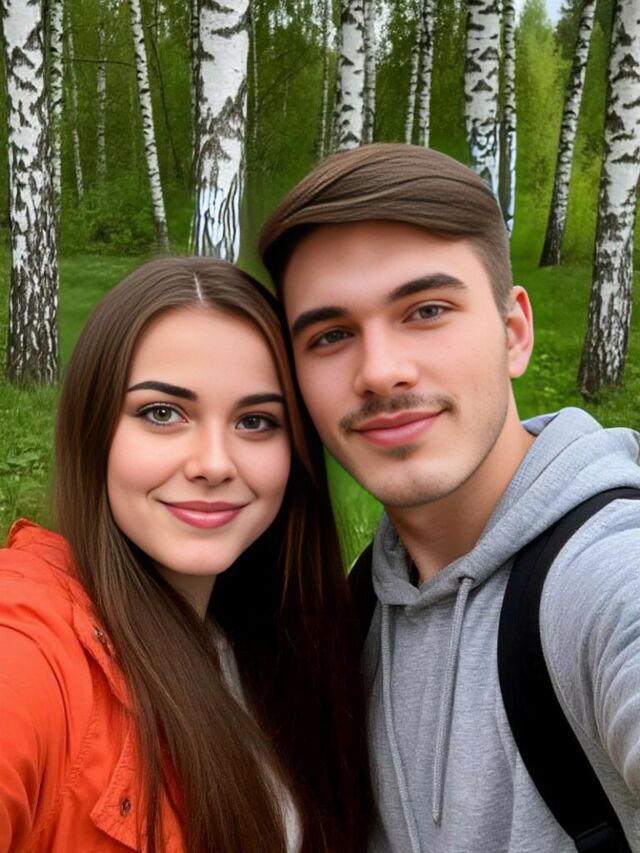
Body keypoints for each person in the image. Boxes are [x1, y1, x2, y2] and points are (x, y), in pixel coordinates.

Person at [258, 143, 640, 852]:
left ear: (514, 333)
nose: (380, 371)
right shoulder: (357, 611)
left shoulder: (605, 577)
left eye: (427, 309)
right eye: (332, 334)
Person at [0, 257, 372, 853]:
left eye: (256, 421)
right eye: (162, 413)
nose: (214, 464)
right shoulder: (31, 646)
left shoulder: (285, 644)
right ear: (94, 429)